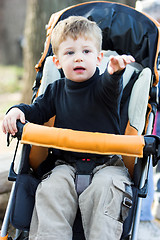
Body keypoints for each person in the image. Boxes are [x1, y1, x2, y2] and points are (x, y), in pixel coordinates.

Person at [2, 16, 135, 240]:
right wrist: (16, 110)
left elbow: (111, 85)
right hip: (64, 165)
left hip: (107, 164)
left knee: (108, 189)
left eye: (86, 51)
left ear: (99, 57)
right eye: (70, 53)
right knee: (52, 189)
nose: (78, 58)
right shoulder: (55, 91)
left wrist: (115, 73)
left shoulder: (104, 88)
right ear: (57, 62)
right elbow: (36, 111)